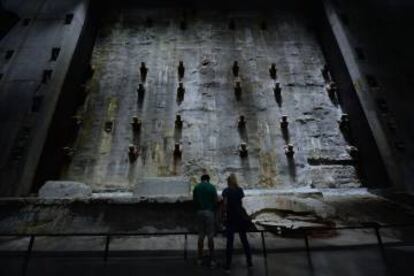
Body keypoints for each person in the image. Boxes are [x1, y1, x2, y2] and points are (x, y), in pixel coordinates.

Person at [222, 173, 252, 272]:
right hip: (240, 217)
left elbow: (225, 204)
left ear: (228, 181)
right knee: (244, 240)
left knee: (229, 242)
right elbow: (241, 203)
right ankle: (249, 262)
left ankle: (228, 265)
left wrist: (224, 215)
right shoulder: (240, 190)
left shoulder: (226, 191)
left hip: (231, 217)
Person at [193, 174, 218, 267]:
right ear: (208, 179)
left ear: (201, 179)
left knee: (201, 235)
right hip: (209, 212)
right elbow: (215, 201)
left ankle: (199, 258)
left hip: (199, 212)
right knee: (210, 236)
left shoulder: (197, 187)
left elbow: (194, 201)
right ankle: (212, 259)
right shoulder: (211, 187)